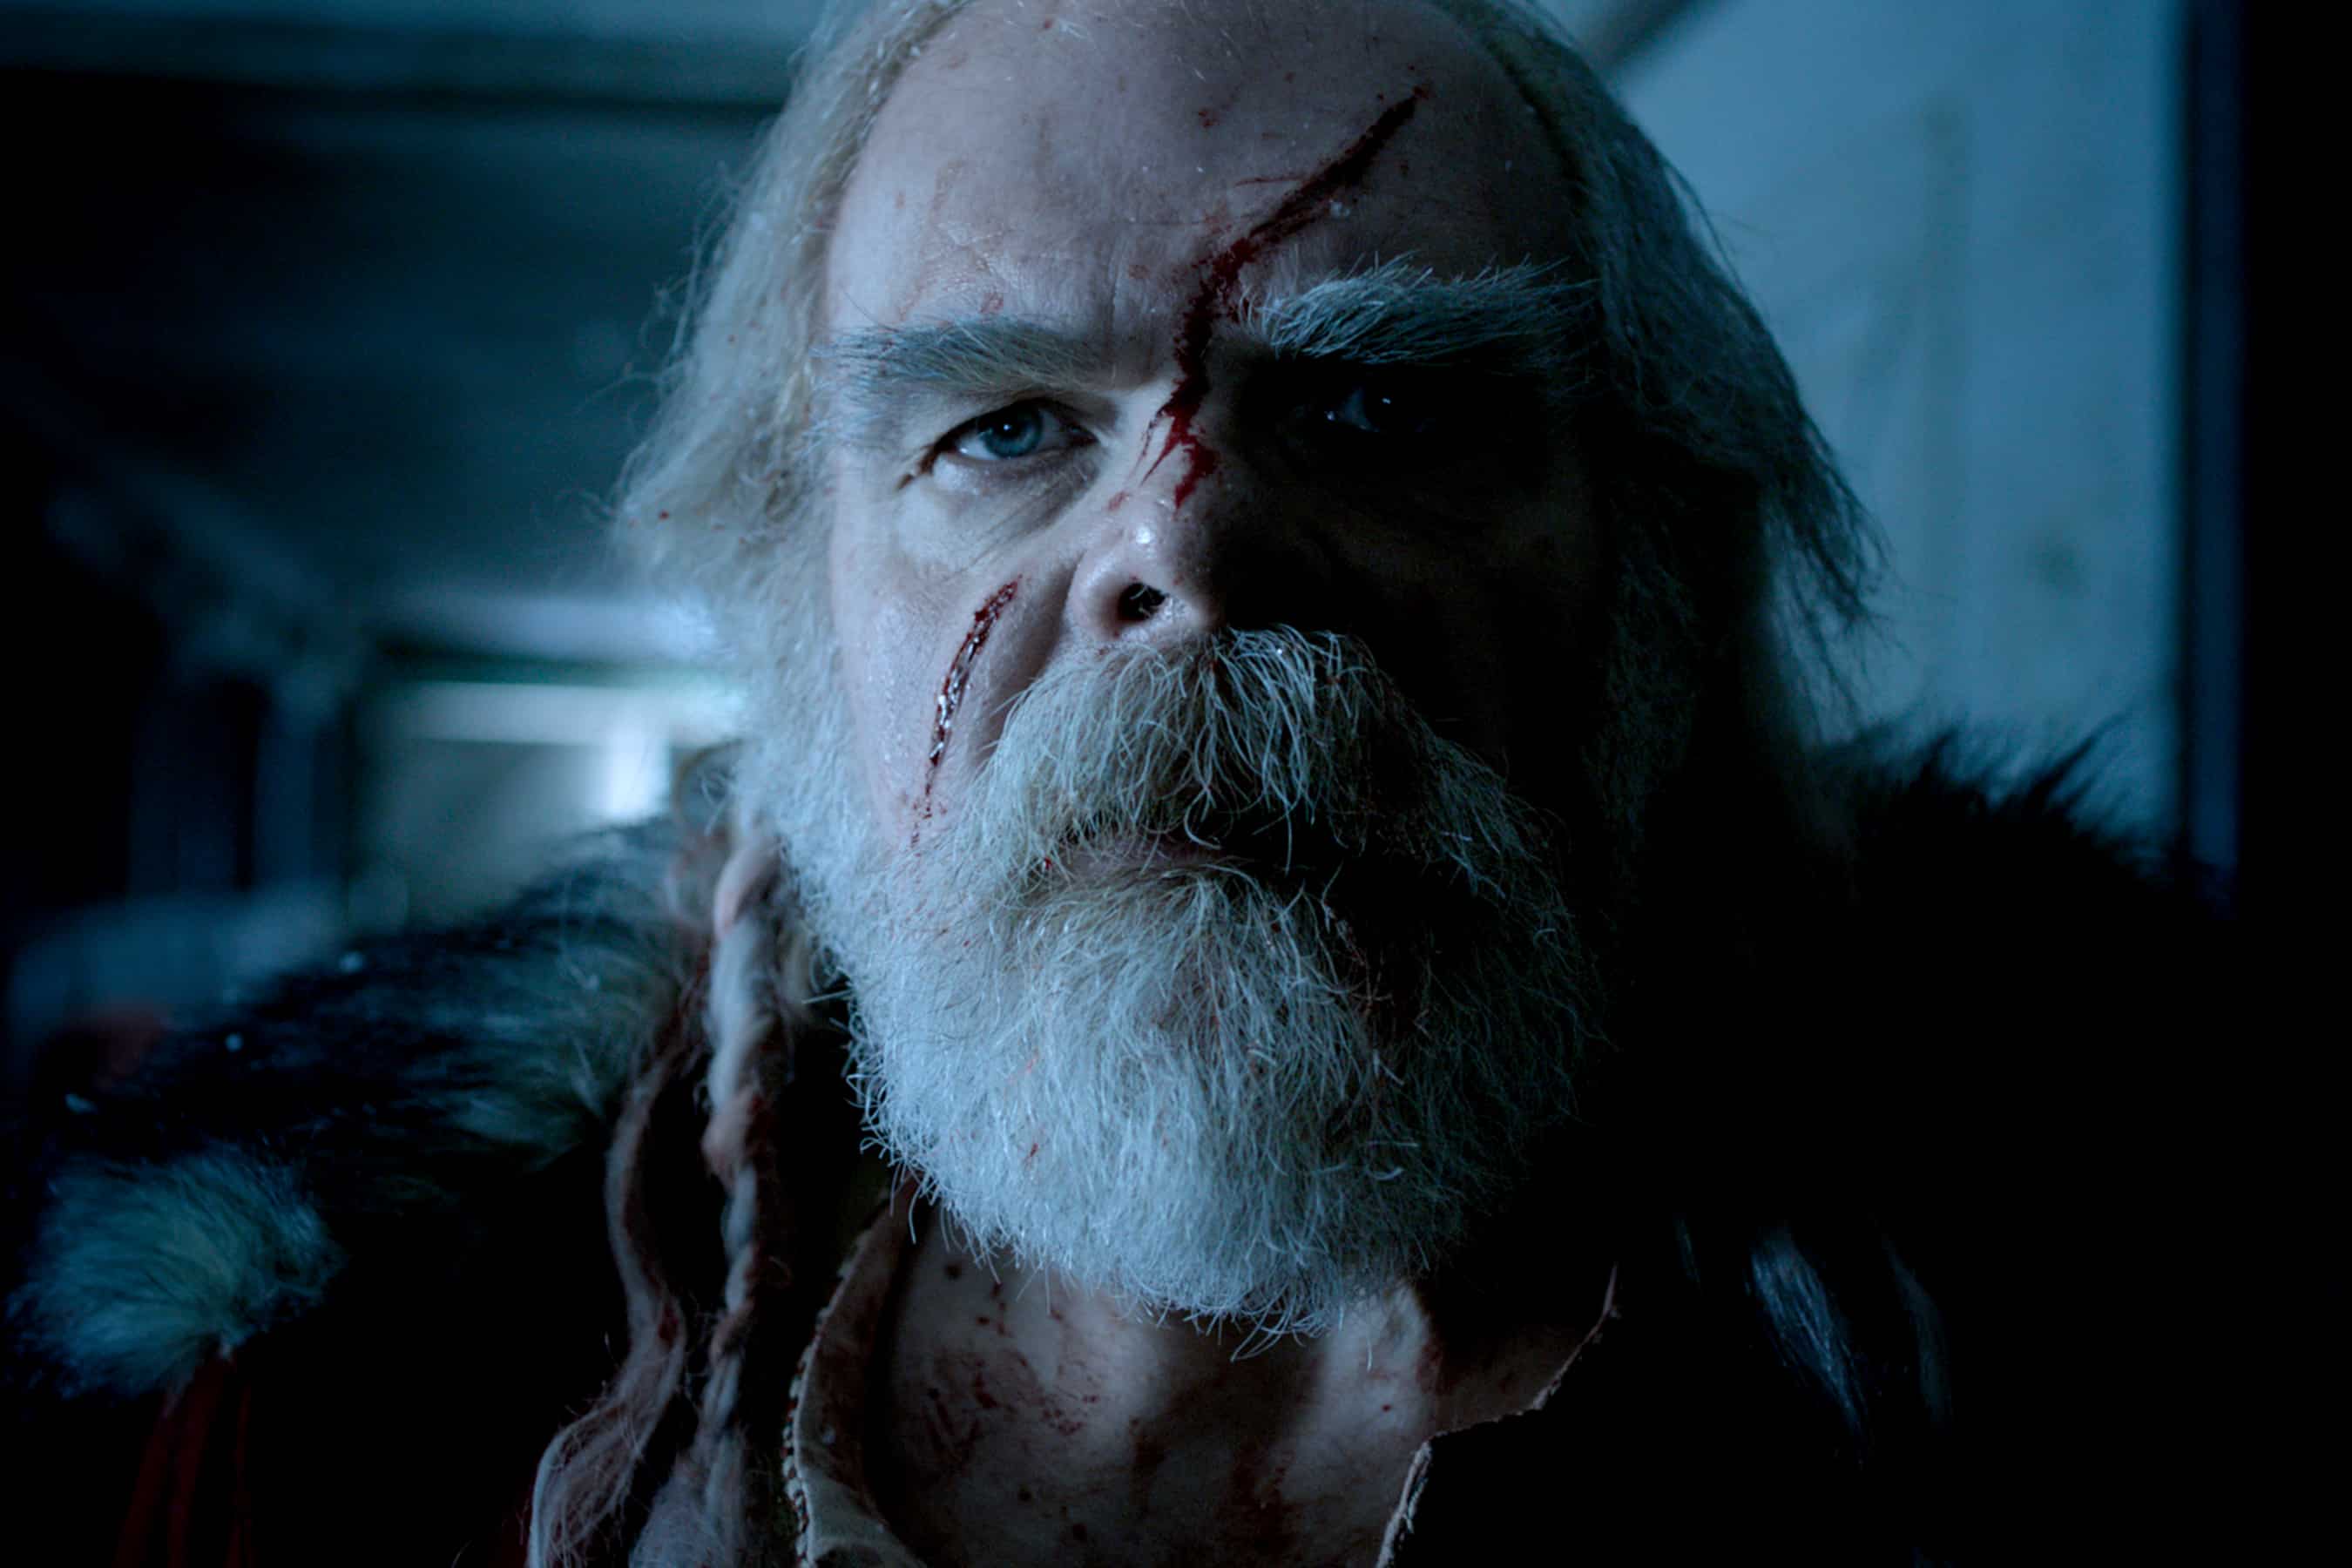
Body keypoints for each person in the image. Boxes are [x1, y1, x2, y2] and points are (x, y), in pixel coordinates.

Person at [4, 1, 2230, 1563]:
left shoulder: (2114, 1349)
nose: (1185, 552)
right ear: (795, 610)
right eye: (1000, 430)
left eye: (1383, 412)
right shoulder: (330, 1403)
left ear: (1664, 581)